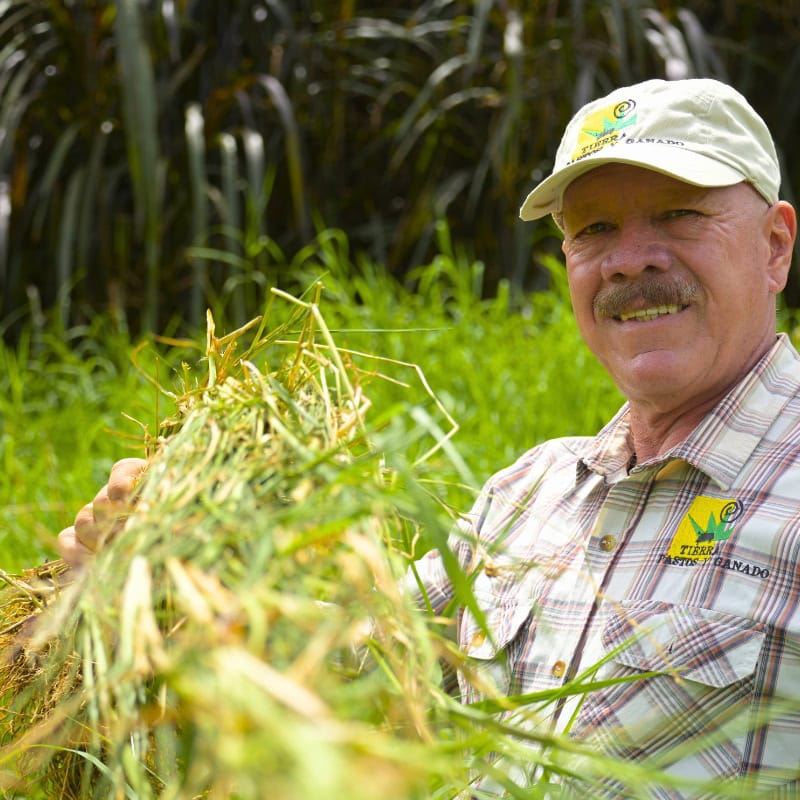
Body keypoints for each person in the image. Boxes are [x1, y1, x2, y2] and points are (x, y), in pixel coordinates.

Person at [56, 78, 800, 797]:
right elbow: (348, 669)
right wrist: (156, 586)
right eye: (595, 229)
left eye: (678, 214)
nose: (631, 258)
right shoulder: (531, 496)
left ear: (774, 246)